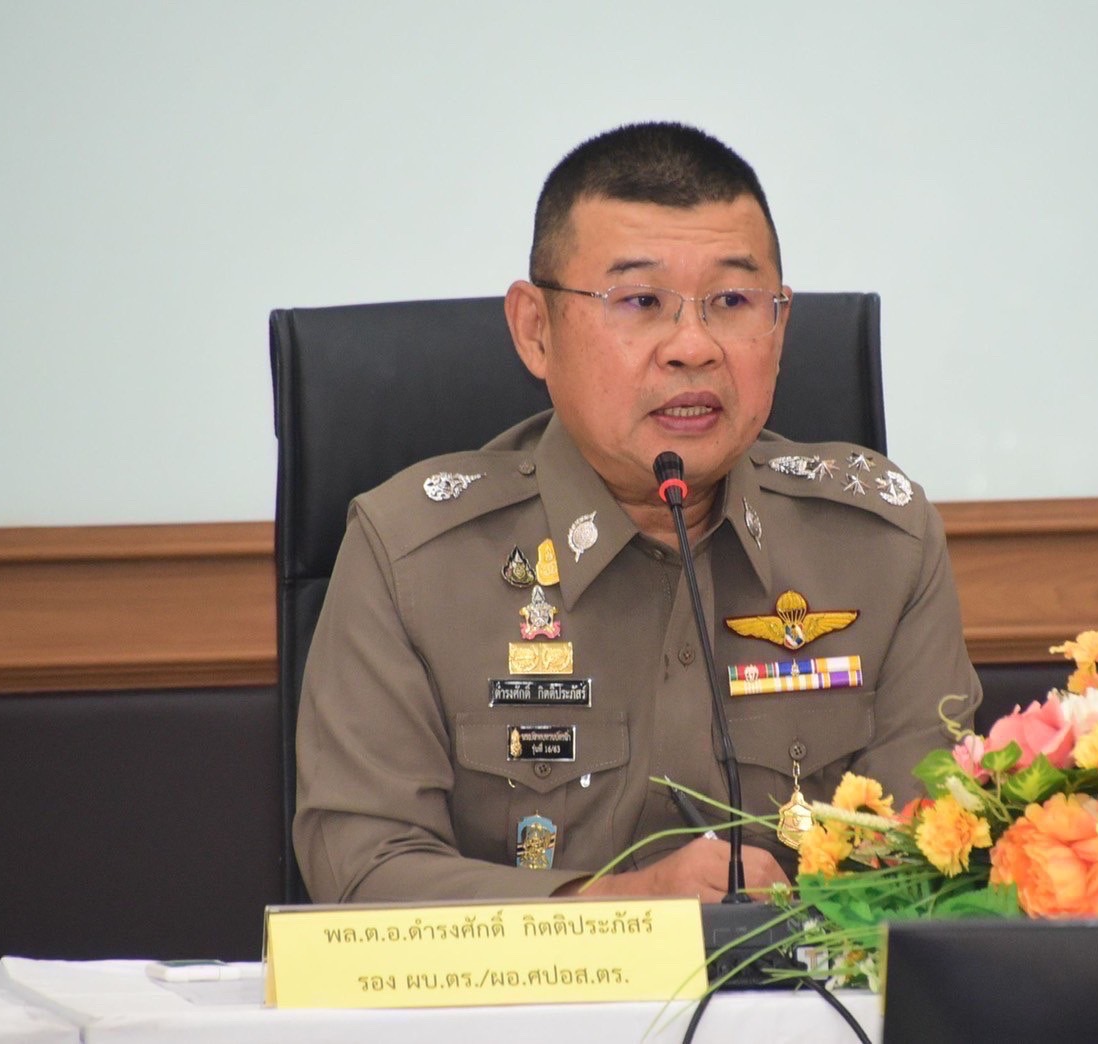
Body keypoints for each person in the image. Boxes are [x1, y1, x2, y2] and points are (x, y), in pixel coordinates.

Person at [294, 122, 982, 905]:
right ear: (535, 331)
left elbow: (932, 865)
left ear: (780, 327)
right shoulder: (411, 557)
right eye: (641, 301)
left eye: (733, 301)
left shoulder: (881, 547)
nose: (693, 347)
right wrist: (620, 910)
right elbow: (361, 872)